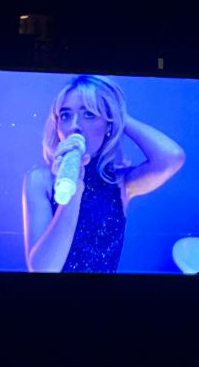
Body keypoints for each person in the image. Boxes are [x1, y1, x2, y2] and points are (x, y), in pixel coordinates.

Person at [23, 74, 185, 273]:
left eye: (88, 114)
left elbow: (172, 157)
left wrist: (121, 116)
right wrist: (74, 187)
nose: (74, 125)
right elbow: (43, 270)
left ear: (108, 125)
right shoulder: (40, 180)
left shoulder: (120, 182)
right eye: (65, 115)